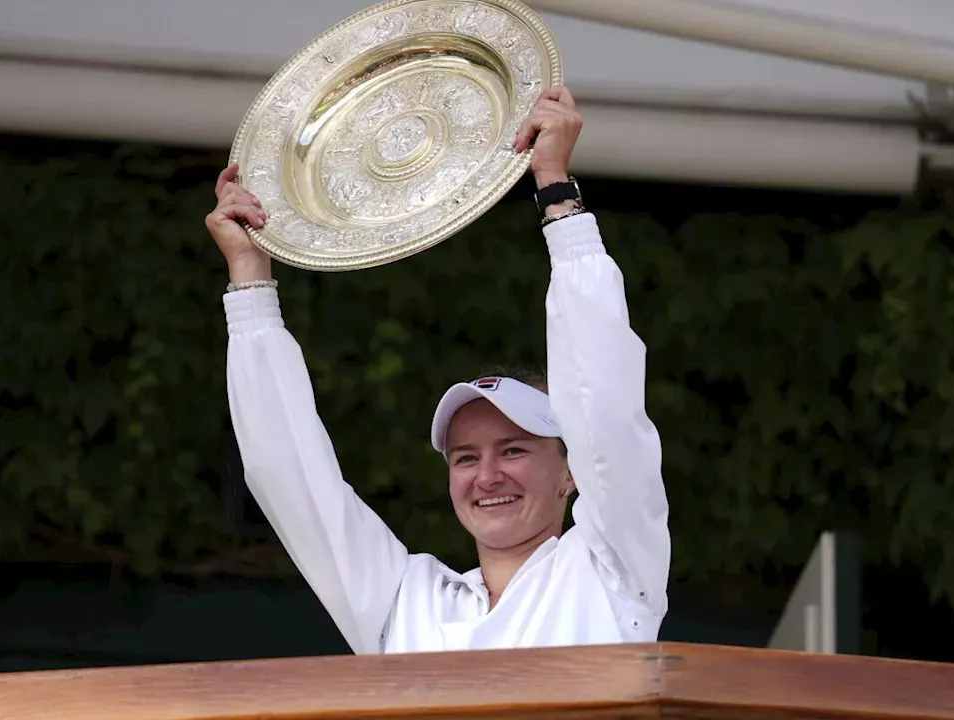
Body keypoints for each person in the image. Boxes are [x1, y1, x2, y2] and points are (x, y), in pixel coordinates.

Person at [206, 86, 670, 654]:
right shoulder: (404, 600)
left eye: (515, 449)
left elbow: (606, 412)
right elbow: (289, 476)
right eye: (465, 457)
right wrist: (251, 279)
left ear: (572, 473)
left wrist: (557, 194)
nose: (487, 475)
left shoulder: (612, 570)